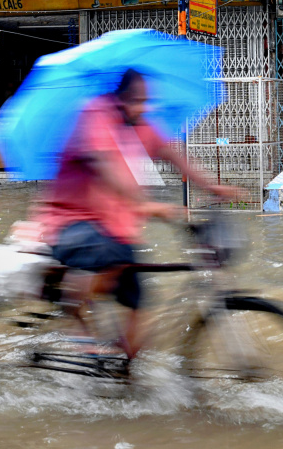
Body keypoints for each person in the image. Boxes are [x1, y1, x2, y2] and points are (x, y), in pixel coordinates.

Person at [33, 69, 241, 360]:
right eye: (136, 100)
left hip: (115, 228)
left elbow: (172, 153)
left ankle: (123, 377)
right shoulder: (95, 115)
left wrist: (211, 185)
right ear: (121, 98)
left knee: (139, 317)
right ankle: (70, 307)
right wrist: (146, 205)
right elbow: (104, 166)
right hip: (72, 222)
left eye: (145, 101)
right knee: (107, 257)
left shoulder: (138, 124)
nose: (142, 107)